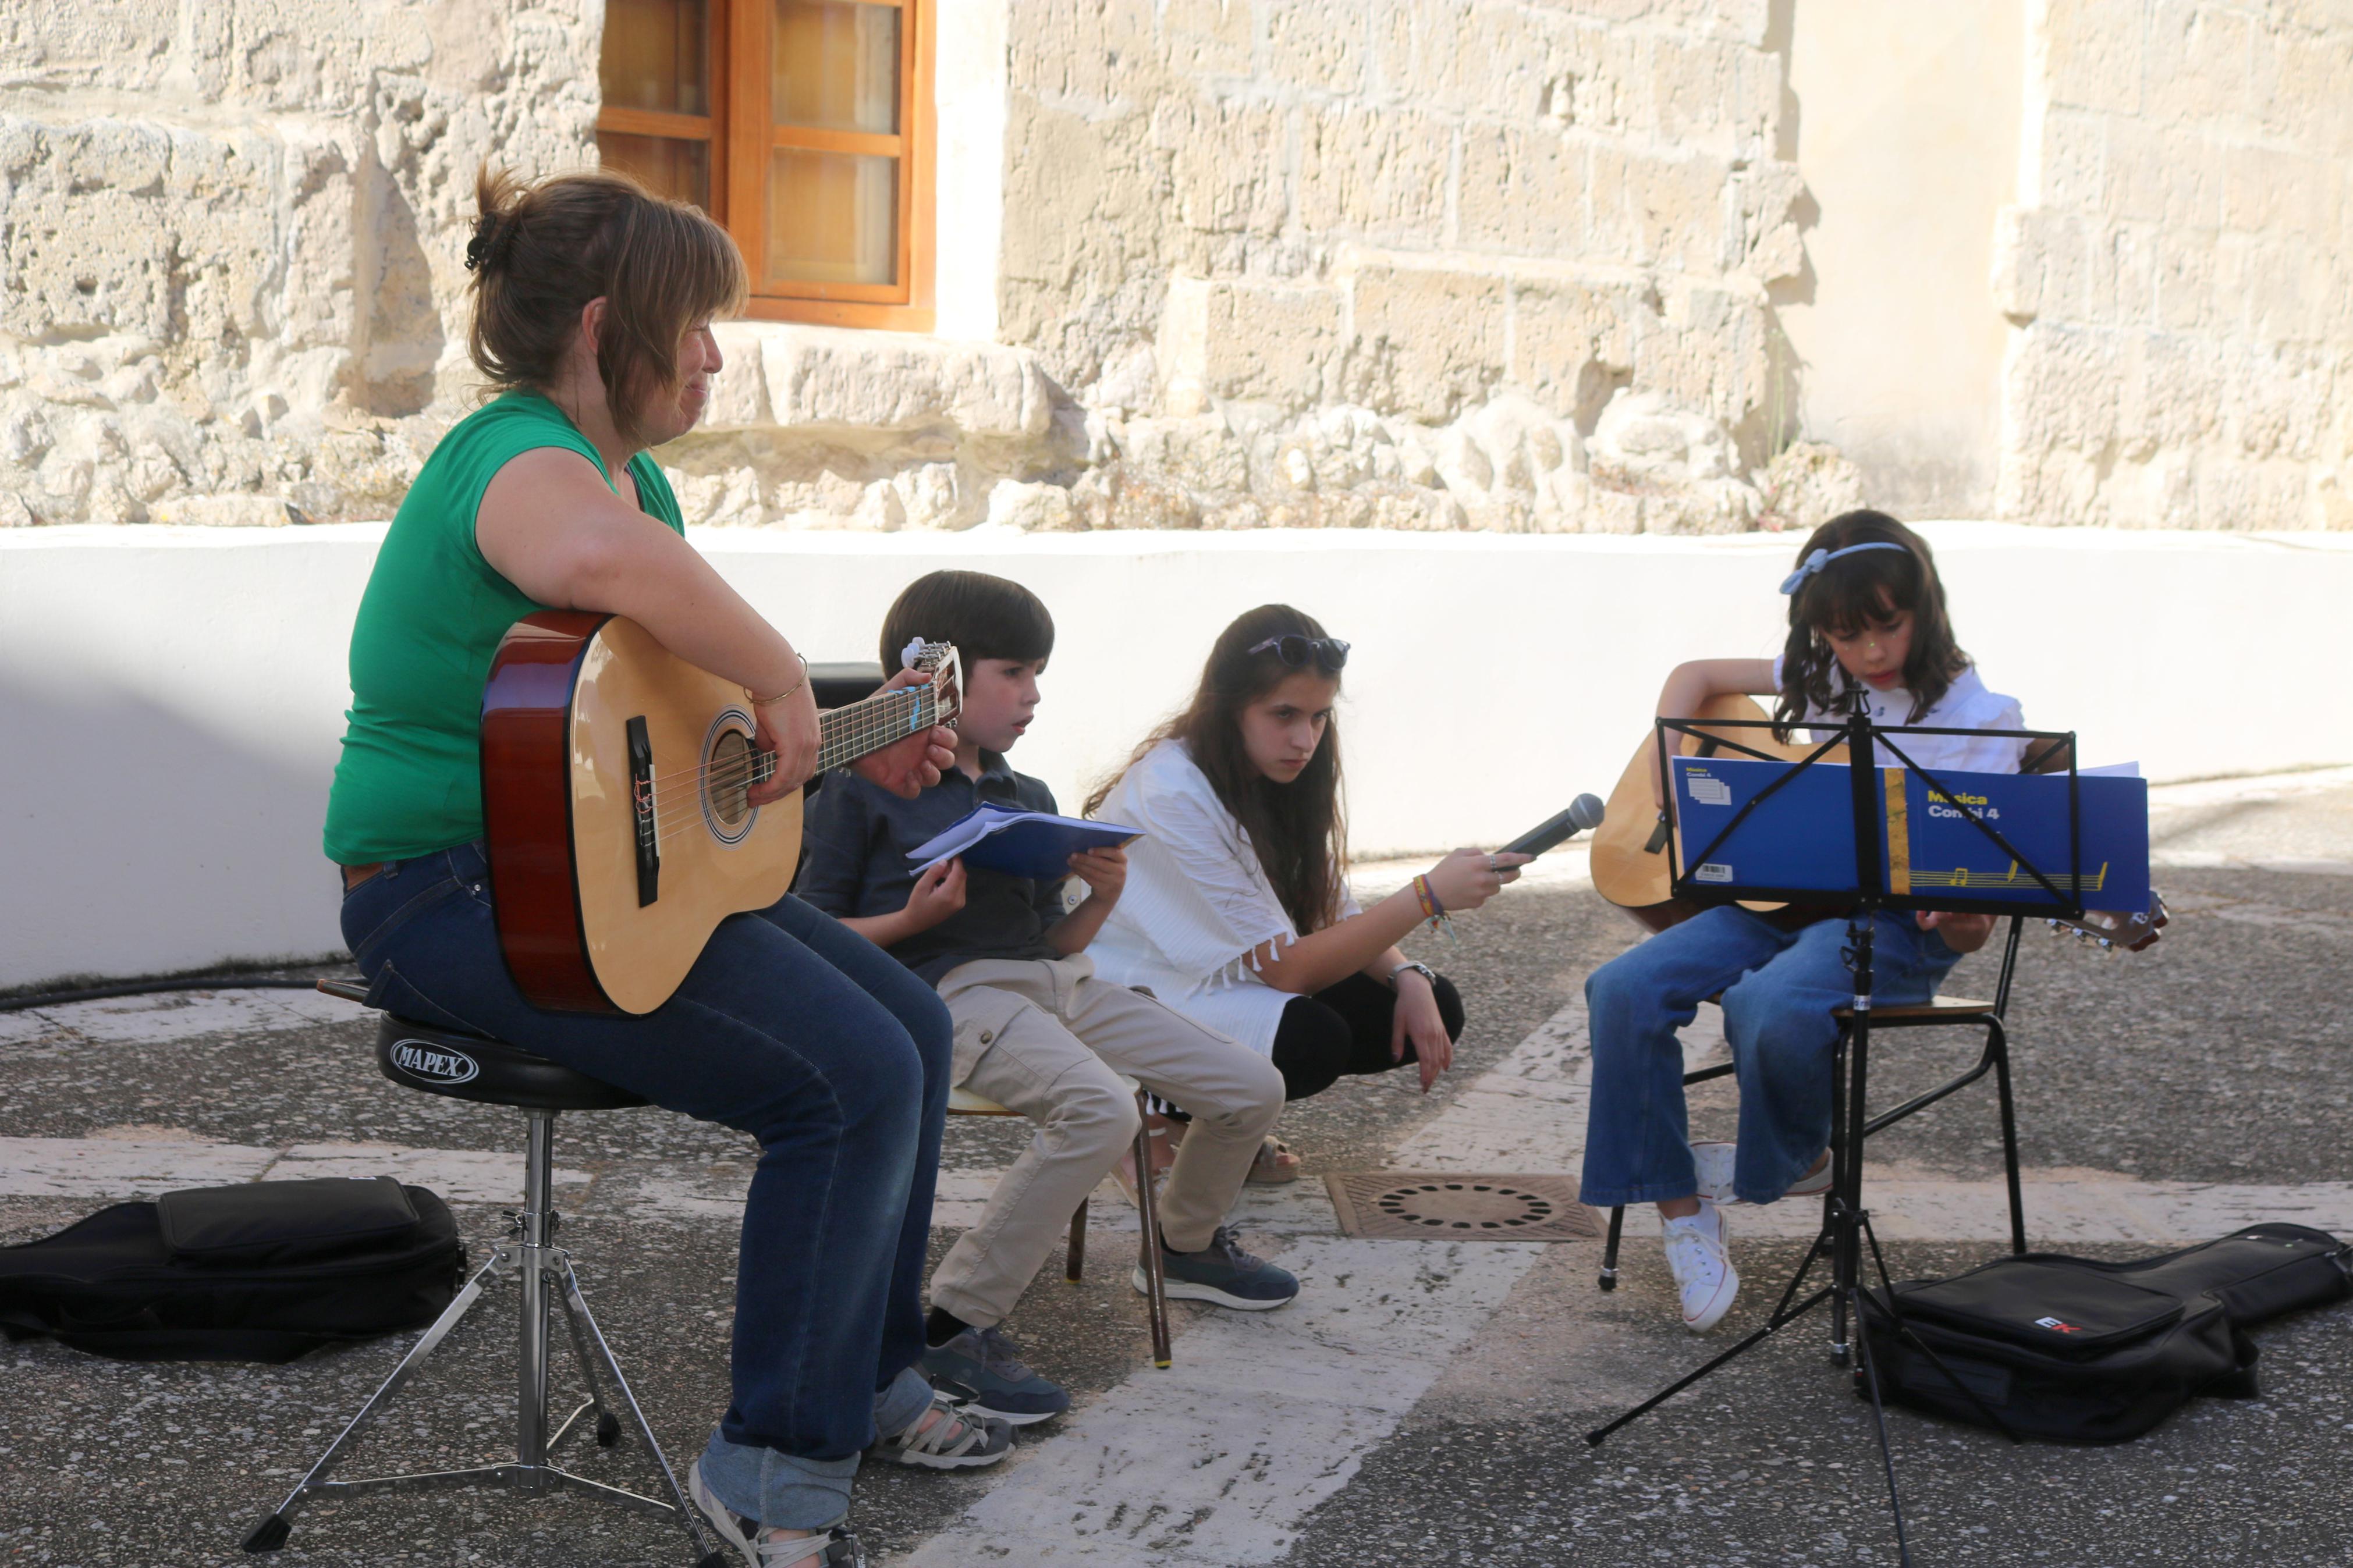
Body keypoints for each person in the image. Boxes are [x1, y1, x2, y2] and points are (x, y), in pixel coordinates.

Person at [322, 167, 992, 1568]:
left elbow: (659, 723)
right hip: (447, 894)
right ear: (603, 326)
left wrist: (833, 733)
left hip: (574, 874)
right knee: (846, 1083)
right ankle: (765, 1485)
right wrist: (773, 674)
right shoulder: (513, 460)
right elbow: (592, 561)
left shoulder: (634, 486)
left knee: (914, 1031)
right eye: (693, 326)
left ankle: (858, 1382)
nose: (712, 356)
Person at [796, 573, 1298, 1418]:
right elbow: (808, 934)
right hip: (946, 995)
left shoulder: (1026, 797)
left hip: (1054, 983)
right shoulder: (861, 784)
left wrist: (1100, 896)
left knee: (1253, 1086)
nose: (1033, 694)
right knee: (1100, 1111)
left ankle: (1180, 1244)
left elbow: (1048, 942)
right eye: (1014, 672)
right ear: (940, 678)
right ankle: (955, 1322)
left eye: (1038, 673)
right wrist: (908, 918)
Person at [1580, 510, 2025, 1334]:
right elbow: (1693, 674)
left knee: (1769, 1004)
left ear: (1924, 603)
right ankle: (1685, 1215)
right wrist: (1670, 764)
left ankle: (1797, 1159)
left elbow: (1970, 930)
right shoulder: (1824, 675)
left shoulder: (1983, 720)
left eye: (1886, 625)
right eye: (1843, 633)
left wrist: (1963, 914)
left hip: (1894, 931)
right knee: (1620, 987)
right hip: (1782, 901)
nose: (1869, 652)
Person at [1084, 605, 1525, 1182]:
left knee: (1432, 1004)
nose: (1304, 739)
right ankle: (1153, 1117)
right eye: (1284, 714)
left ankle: (1214, 1122)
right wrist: (1425, 896)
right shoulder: (1171, 791)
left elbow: (1330, 911)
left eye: (1318, 717)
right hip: (1135, 987)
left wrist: (1408, 976)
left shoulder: (1277, 773)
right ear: (1226, 708)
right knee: (1310, 1040)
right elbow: (1286, 971)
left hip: (1221, 978)